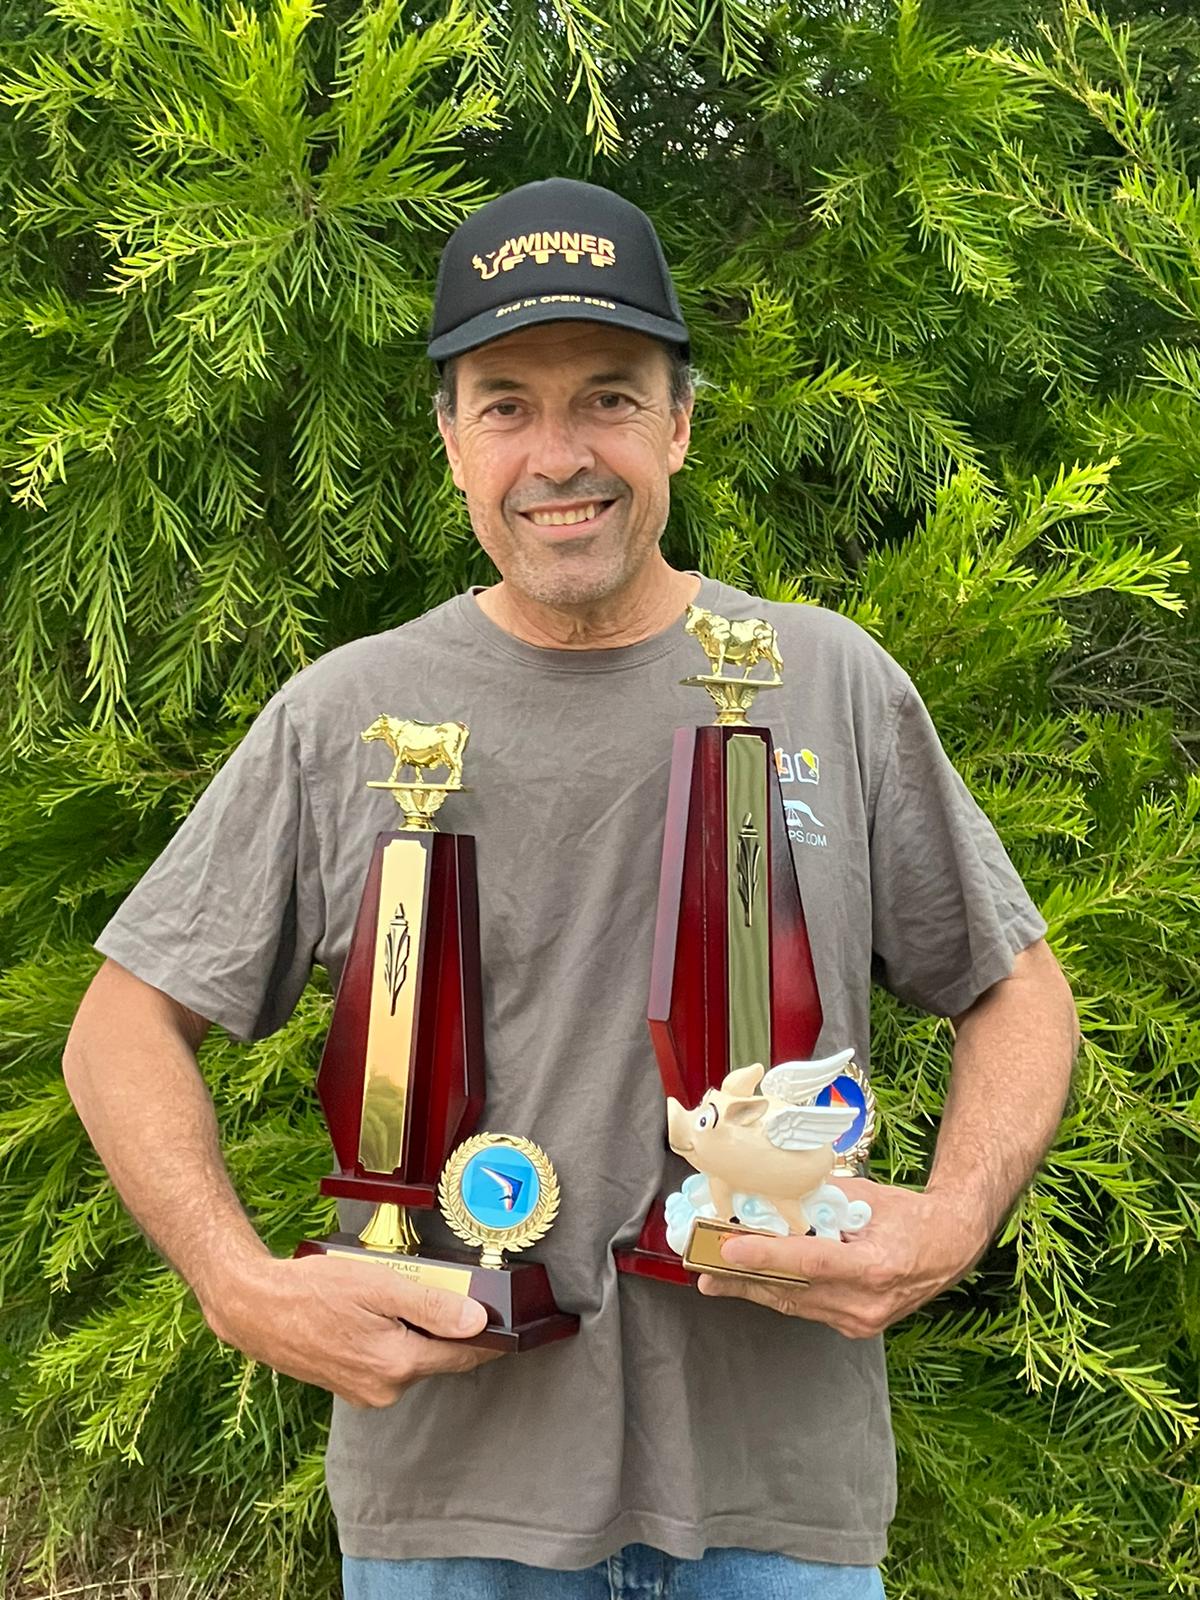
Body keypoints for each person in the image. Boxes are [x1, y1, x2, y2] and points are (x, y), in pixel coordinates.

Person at [63, 178, 1078, 1600]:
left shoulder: (830, 681)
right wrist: (238, 1286)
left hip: (776, 1501)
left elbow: (1018, 993)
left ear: (678, 423)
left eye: (608, 397)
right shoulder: (345, 714)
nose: (560, 455)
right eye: (507, 405)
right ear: (450, 443)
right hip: (450, 1504)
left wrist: (957, 1219)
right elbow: (119, 1028)